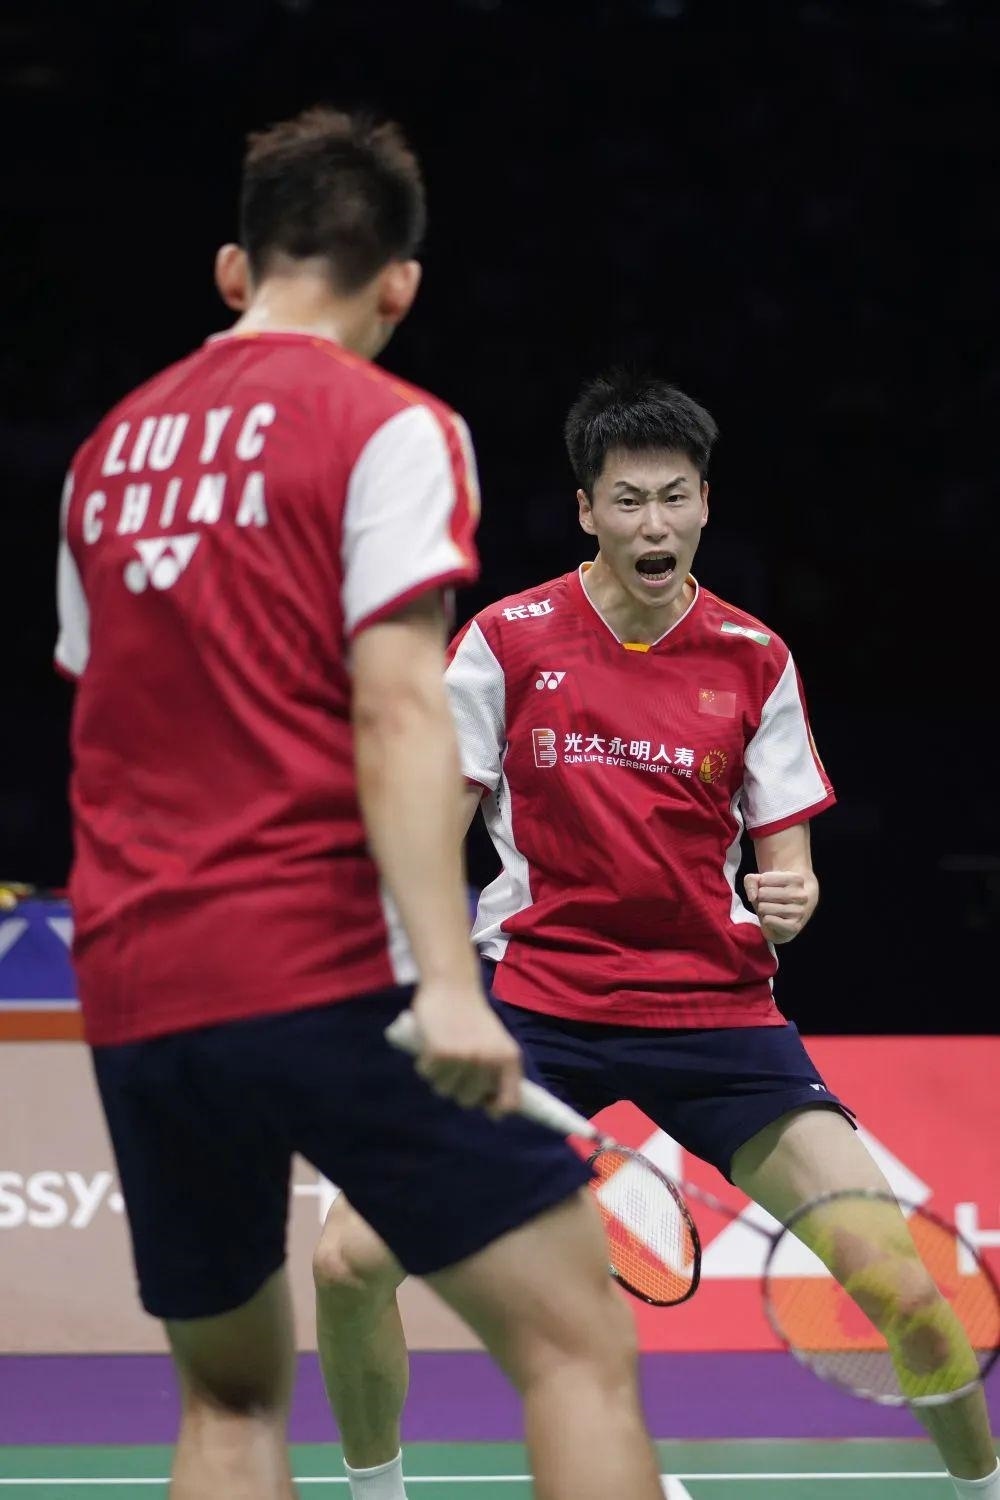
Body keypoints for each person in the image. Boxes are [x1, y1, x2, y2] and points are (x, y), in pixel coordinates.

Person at [54, 113, 668, 1500]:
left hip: (143, 983)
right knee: (574, 1349)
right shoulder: (391, 427)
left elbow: (109, 724)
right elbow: (398, 711)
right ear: (399, 284)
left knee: (226, 1401)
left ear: (234, 270)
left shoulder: (105, 454)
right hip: (321, 964)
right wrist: (450, 984)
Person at [313, 370, 1000, 1500]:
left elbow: (788, 863)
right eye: (628, 501)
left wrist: (793, 895)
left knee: (912, 1295)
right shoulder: (506, 641)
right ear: (587, 510)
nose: (654, 524)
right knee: (347, 1262)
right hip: (533, 1005)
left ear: (705, 505)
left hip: (716, 1019)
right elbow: (431, 833)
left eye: (674, 498)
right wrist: (423, 980)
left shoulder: (753, 656)